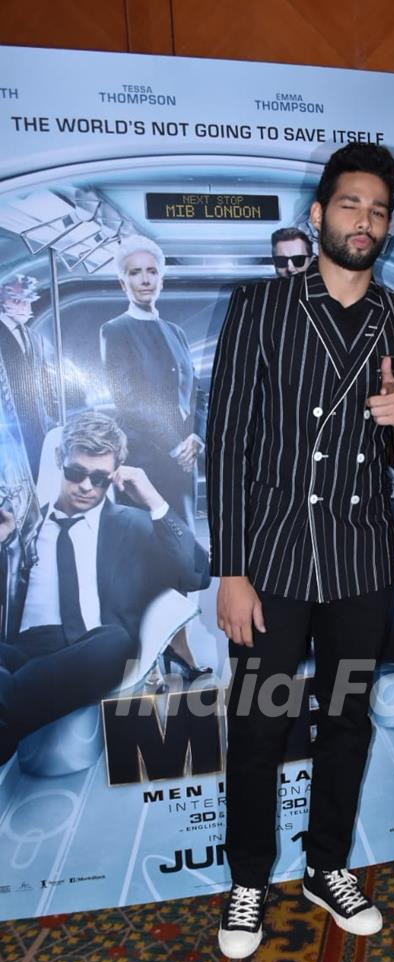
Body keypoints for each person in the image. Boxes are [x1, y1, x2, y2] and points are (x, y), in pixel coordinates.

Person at [206, 142, 394, 960]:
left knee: (345, 718)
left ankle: (326, 867)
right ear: (318, 215)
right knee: (258, 724)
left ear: (390, 224)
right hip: (271, 559)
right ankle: (247, 879)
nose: (365, 222)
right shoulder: (260, 308)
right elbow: (228, 445)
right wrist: (230, 570)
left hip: (358, 560)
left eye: (379, 210)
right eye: (350, 205)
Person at [0, 411, 210, 765]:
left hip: (95, 649)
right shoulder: (24, 524)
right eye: (75, 473)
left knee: (116, 641)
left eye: (98, 479)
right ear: (58, 461)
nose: (85, 486)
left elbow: (197, 574)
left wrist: (154, 501)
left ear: (115, 473)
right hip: (23, 652)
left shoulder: (134, 524)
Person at [100, 235, 209, 680]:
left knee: (182, 563)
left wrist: (196, 438)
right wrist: (172, 444)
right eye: (135, 272)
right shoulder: (115, 330)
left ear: (161, 277)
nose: (145, 280)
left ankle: (179, 650)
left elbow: (195, 394)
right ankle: (156, 661)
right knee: (150, 564)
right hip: (144, 467)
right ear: (122, 281)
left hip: (182, 466)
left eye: (152, 271)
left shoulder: (177, 331)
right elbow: (127, 402)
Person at [0, 274, 58, 480]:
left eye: (27, 300)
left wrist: (52, 420)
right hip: (8, 428)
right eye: (16, 300)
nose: (23, 306)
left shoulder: (35, 338)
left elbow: (46, 384)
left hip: (38, 426)